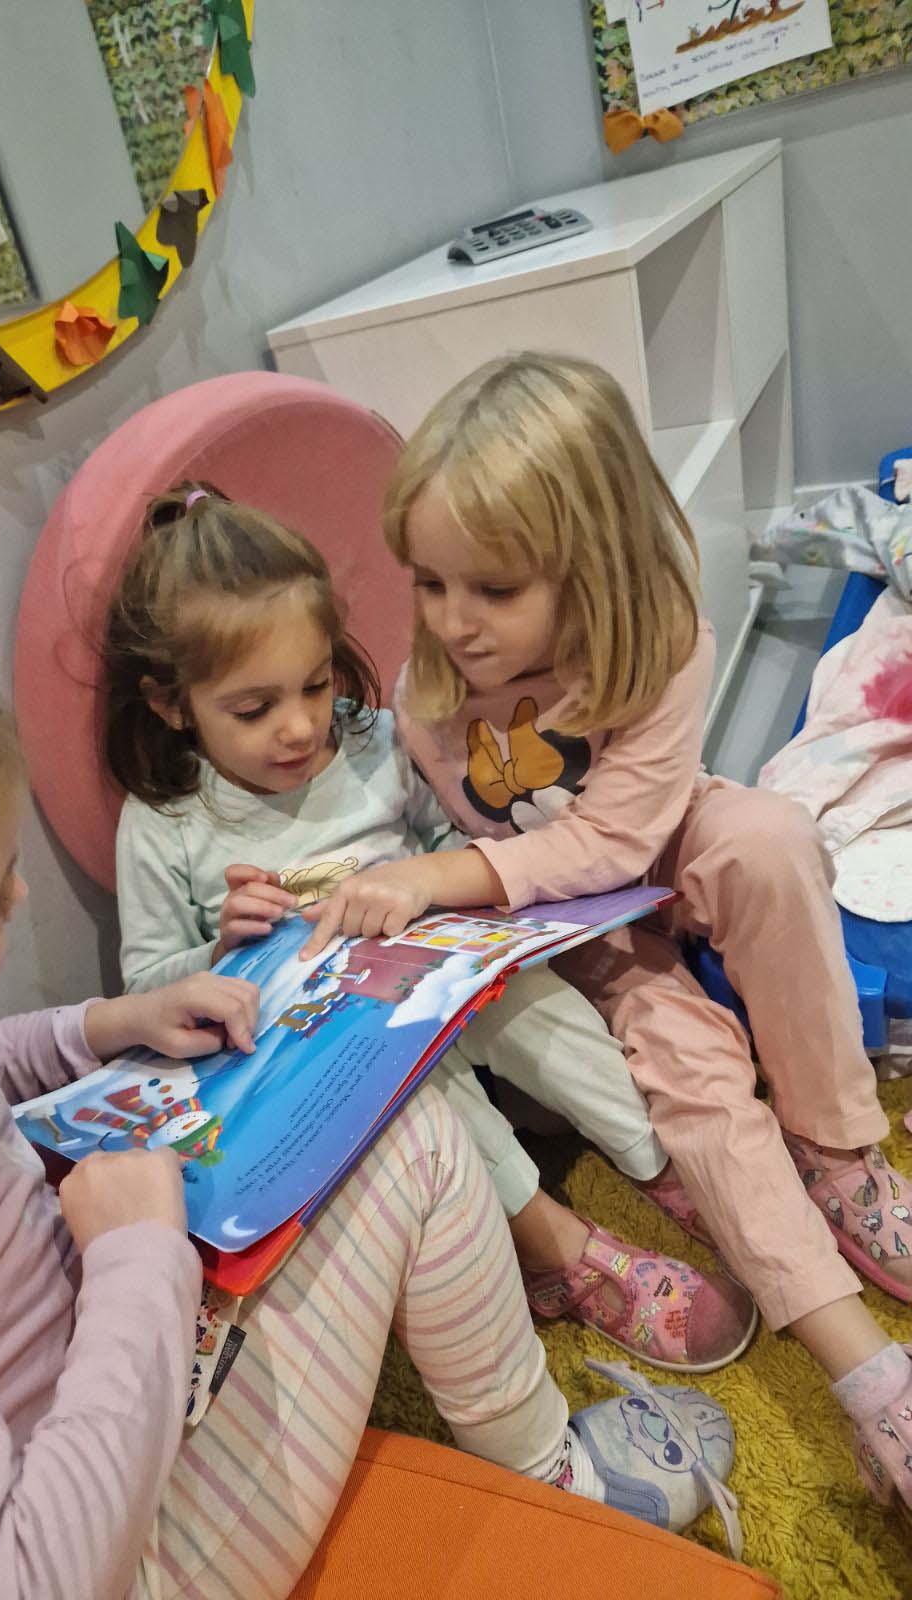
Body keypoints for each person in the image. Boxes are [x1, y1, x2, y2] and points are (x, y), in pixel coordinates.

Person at [0, 593, 741, 1598]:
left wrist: (113, 1022)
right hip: (127, 1546)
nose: (19, 899)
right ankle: (551, 1470)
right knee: (422, 1141)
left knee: (378, 1107)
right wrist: (137, 1260)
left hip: (106, 1379)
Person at [300, 353, 912, 1516]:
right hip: (562, 924)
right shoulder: (433, 683)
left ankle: (838, 1153)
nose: (453, 621)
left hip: (640, 844)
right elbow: (508, 859)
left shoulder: (663, 637)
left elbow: (622, 835)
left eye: (493, 589)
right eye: (430, 583)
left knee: (769, 837)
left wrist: (444, 870)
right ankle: (867, 1370)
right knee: (689, 1059)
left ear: (592, 565)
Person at [103, 489, 755, 1373]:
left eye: (316, 683)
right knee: (421, 1092)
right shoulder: (167, 821)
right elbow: (144, 985)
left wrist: (437, 896)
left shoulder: (371, 741)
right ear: (172, 705)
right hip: (320, 1045)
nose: (299, 725)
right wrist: (217, 948)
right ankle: (555, 1251)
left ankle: (665, 1168)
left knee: (546, 1015)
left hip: (440, 966)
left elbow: (451, 840)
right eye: (253, 710)